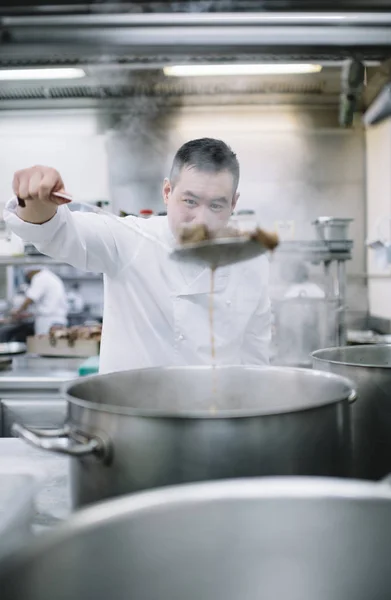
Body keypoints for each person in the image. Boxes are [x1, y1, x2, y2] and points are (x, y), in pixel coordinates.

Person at [4, 138, 270, 374]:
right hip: (131, 420)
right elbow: (56, 232)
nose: (201, 220)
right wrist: (36, 200)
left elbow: (256, 361)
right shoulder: (129, 238)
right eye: (190, 201)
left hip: (216, 419)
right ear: (167, 192)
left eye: (216, 205)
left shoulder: (252, 262)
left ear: (233, 204)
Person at [12, 267, 68, 335]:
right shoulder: (50, 276)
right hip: (59, 318)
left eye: (27, 275)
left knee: (43, 343)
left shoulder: (39, 278)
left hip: (47, 321)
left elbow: (30, 298)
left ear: (30, 271)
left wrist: (18, 311)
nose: (28, 278)